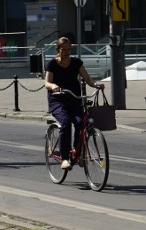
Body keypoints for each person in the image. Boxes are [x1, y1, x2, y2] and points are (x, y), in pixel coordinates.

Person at [43, 37, 104, 169]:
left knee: (80, 122)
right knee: (65, 123)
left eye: (69, 49)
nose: (66, 52)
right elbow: (47, 83)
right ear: (58, 50)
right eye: (63, 49)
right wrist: (53, 86)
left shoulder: (76, 63)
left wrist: (96, 84)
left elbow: (87, 78)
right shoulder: (52, 64)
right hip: (58, 100)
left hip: (75, 98)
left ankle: (78, 153)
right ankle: (65, 158)